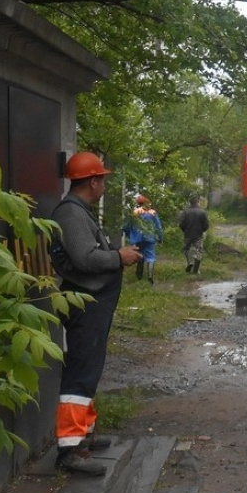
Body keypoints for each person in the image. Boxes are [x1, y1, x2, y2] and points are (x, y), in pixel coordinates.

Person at [49, 152, 142, 475]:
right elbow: (85, 259)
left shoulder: (79, 212)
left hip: (93, 304)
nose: (104, 184)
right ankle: (69, 449)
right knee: (80, 373)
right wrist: (119, 256)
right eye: (102, 179)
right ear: (92, 181)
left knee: (89, 370)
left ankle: (83, 434)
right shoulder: (72, 215)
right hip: (86, 305)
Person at [124, 194, 163, 284]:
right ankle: (150, 276)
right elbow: (158, 227)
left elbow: (126, 226)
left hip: (137, 238)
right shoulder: (152, 213)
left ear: (138, 203)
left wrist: (129, 235)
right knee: (151, 256)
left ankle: (139, 275)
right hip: (150, 237)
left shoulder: (134, 212)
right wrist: (160, 238)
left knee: (139, 255)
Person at [178, 194, 210, 274]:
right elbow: (206, 225)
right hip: (198, 235)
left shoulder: (185, 211)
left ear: (190, 203)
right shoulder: (203, 212)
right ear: (198, 202)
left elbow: (181, 224)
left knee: (186, 249)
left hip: (187, 234)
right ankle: (195, 270)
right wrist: (202, 230)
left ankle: (190, 262)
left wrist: (185, 230)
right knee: (198, 251)